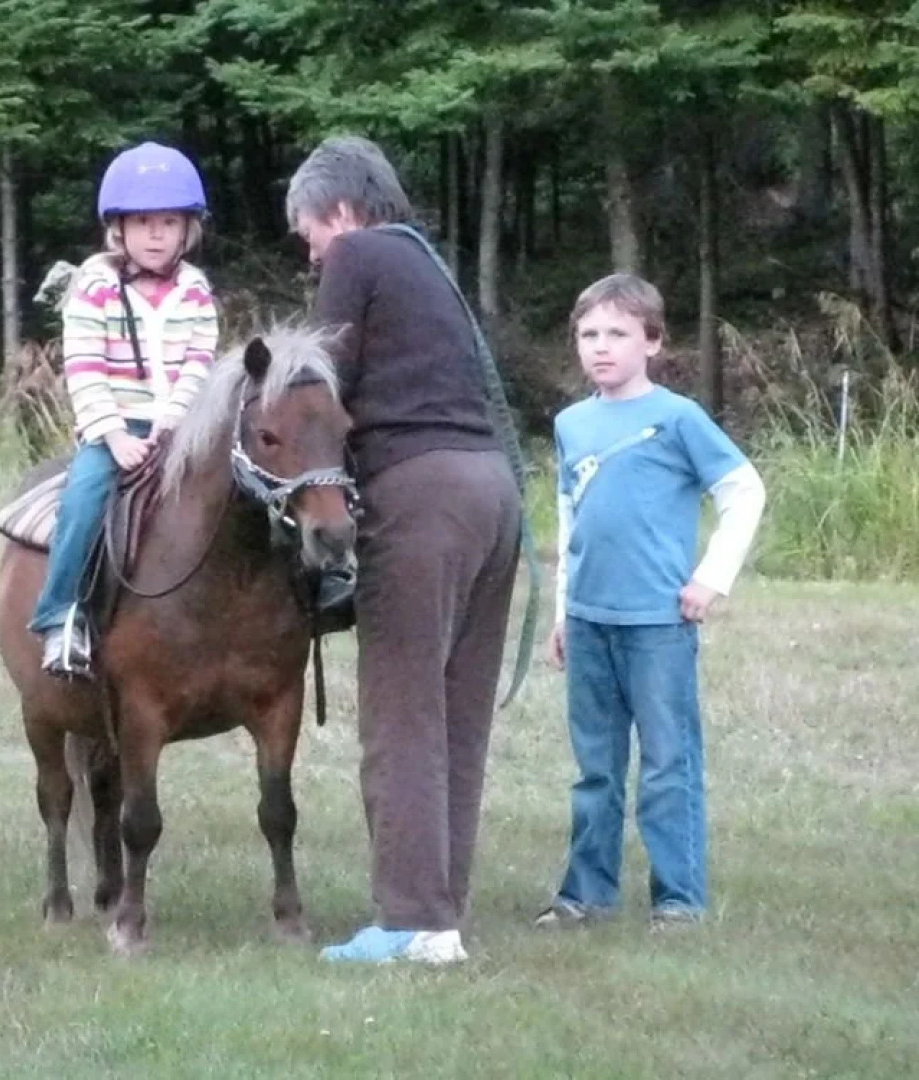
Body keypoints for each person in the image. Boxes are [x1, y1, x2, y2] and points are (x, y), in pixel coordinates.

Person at [287, 136, 524, 965]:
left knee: (401, 710)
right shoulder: (429, 265)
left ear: (343, 211)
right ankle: (442, 914)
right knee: (458, 715)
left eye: (310, 232)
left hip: (421, 495)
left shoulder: (357, 256)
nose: (313, 252)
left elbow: (319, 384)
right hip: (494, 494)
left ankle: (410, 923)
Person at [536, 273, 766, 930]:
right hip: (589, 623)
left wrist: (711, 577)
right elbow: (571, 523)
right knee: (595, 769)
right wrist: (561, 614)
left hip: (658, 625)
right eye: (588, 334)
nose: (601, 347)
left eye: (618, 333)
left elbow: (743, 491)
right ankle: (586, 895)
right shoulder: (571, 424)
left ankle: (679, 899)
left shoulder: (677, 418)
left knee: (667, 763)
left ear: (653, 342)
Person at [30, 142, 219, 678]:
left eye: (167, 221)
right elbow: (84, 370)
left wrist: (174, 421)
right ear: (119, 229)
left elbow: (198, 365)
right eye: (142, 222)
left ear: (188, 229)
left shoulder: (196, 291)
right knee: (85, 500)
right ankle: (61, 617)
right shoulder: (94, 288)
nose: (155, 234)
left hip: (182, 427)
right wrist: (114, 437)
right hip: (111, 429)